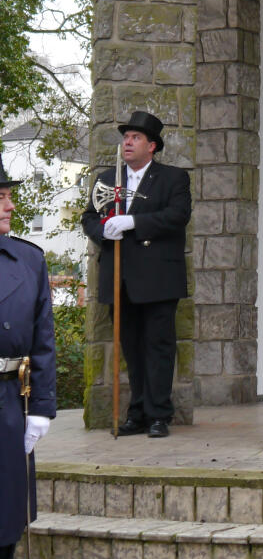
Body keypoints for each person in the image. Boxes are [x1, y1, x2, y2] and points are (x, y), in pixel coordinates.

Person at [81, 110, 191, 438]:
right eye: (125, 138)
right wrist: (103, 232)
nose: (127, 143)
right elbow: (89, 217)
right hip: (120, 276)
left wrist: (134, 222)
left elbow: (177, 216)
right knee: (131, 347)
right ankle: (138, 412)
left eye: (135, 138)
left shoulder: (173, 178)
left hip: (157, 277)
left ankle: (159, 414)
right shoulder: (107, 178)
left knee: (158, 346)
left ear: (152, 146)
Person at [0, 154, 57, 559]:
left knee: (6, 515)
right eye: (0, 196)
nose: (10, 204)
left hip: (6, 400)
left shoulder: (29, 260)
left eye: (7, 194)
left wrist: (40, 408)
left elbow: (43, 341)